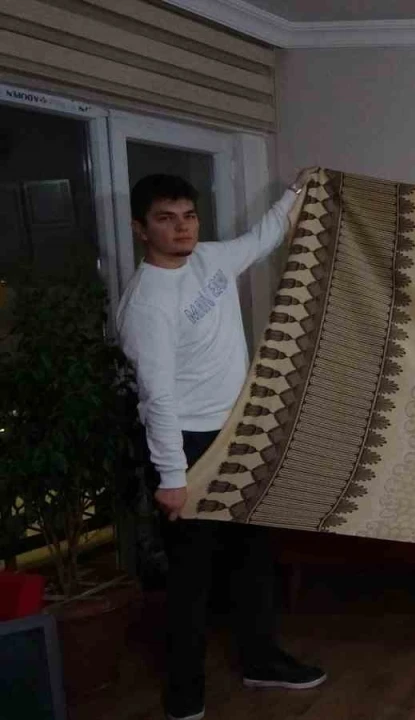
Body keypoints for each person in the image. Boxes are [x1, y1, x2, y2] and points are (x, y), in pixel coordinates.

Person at [117, 168, 325, 720]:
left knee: (253, 556)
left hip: (239, 430)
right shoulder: (146, 305)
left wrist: (298, 191)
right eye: (166, 219)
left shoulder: (210, 259)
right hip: (186, 445)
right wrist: (171, 478)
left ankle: (262, 660)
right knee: (191, 576)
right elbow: (157, 397)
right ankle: (185, 693)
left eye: (188, 216)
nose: (182, 227)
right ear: (141, 228)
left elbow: (263, 236)